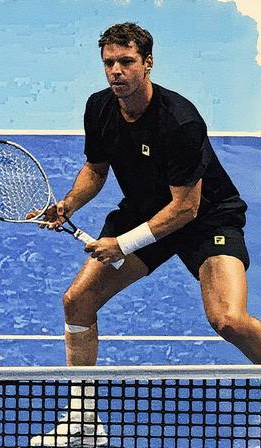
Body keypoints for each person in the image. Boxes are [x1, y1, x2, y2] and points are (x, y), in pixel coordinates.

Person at [30, 23, 257, 447]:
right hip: (143, 212)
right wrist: (68, 205)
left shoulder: (180, 121)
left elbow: (185, 208)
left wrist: (123, 243)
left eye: (126, 62)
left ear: (147, 63)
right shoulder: (99, 108)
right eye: (109, 63)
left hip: (206, 219)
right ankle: (82, 422)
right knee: (77, 302)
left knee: (227, 319)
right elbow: (96, 170)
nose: (116, 71)